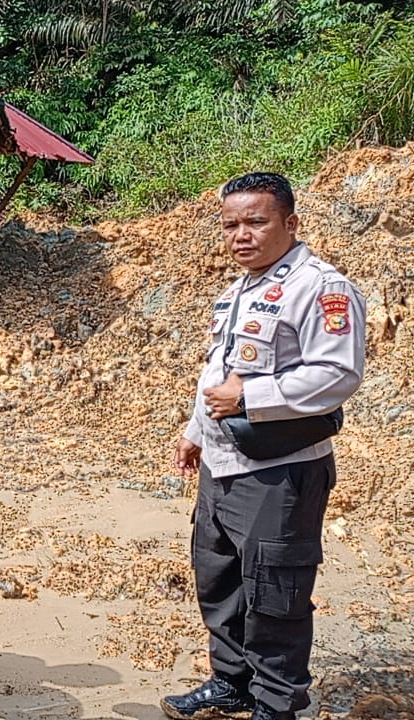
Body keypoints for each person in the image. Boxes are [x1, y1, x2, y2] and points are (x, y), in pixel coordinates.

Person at [163, 172, 366, 720]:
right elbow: (217, 373)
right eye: (231, 225)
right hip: (225, 463)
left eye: (257, 221)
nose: (241, 235)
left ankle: (276, 702)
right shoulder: (239, 290)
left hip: (280, 470)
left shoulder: (321, 288)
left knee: (276, 591)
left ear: (290, 223)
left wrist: (253, 396)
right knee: (220, 578)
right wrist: (195, 431)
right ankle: (232, 682)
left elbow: (338, 373)